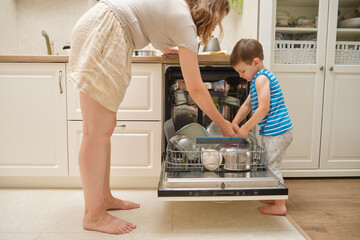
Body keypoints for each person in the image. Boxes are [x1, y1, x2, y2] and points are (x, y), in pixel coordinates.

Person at [68, 0, 238, 235]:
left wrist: (176, 50)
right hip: (108, 29)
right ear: (211, 11)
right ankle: (93, 215)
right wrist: (223, 124)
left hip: (105, 25)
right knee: (96, 131)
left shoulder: (177, 9)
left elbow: (157, 34)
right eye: (218, 19)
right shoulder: (185, 22)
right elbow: (196, 88)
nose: (215, 24)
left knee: (102, 129)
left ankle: (103, 199)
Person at [230, 39, 294, 215]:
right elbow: (246, 106)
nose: (241, 75)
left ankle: (280, 204)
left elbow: (263, 108)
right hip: (274, 131)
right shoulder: (257, 80)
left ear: (255, 62)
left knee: (272, 165)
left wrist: (246, 128)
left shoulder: (262, 79)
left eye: (242, 71)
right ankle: (274, 194)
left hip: (279, 132)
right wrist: (235, 122)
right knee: (268, 163)